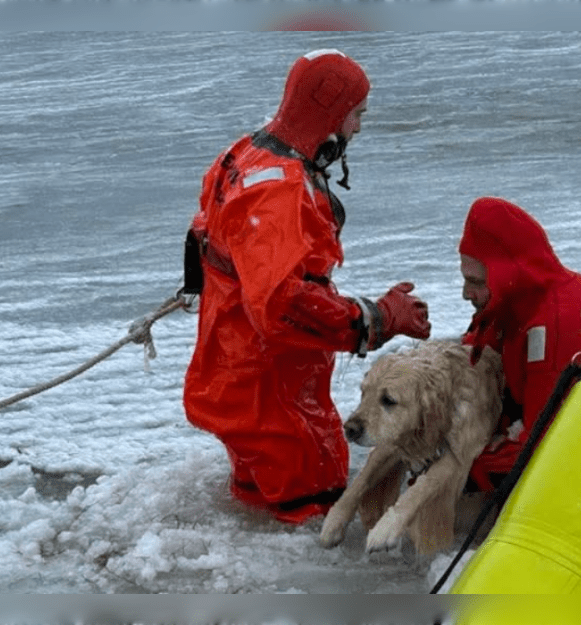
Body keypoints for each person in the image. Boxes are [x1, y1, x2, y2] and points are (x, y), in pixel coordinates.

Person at [182, 49, 431, 524]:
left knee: (258, 510)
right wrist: (377, 318)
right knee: (317, 520)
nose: (358, 128)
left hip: (231, 376)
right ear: (330, 113)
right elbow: (279, 306)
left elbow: (202, 234)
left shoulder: (244, 154)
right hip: (274, 396)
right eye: (356, 115)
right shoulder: (282, 191)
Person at [458, 196, 581, 493]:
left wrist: (465, 460)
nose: (465, 293)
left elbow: (546, 448)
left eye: (474, 282)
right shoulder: (509, 304)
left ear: (505, 272)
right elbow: (472, 359)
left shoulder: (559, 327)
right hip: (546, 433)